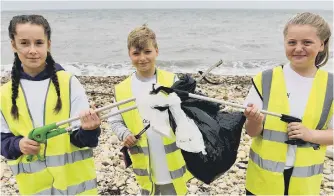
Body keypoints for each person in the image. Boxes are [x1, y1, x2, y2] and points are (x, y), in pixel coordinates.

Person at [1, 15, 101, 195]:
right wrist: (18, 145)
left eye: (39, 43)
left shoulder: (69, 83)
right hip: (34, 189)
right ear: (13, 45)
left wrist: (90, 129)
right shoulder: (4, 95)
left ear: (48, 44)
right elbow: (3, 141)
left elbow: (85, 141)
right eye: (24, 43)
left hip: (77, 189)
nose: (32, 50)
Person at [243, 12, 333, 195]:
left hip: (304, 185)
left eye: (307, 42)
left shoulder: (331, 86)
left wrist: (311, 135)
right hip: (262, 182)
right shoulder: (264, 80)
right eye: (292, 42)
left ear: (322, 44)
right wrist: (254, 120)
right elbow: (252, 132)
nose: (298, 48)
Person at [108, 24, 192, 195]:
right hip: (145, 168)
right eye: (136, 53)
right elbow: (115, 120)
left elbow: (189, 113)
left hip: (174, 166)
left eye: (147, 52)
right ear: (129, 54)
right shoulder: (122, 89)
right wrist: (125, 134)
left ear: (156, 51)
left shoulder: (171, 81)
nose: (142, 58)